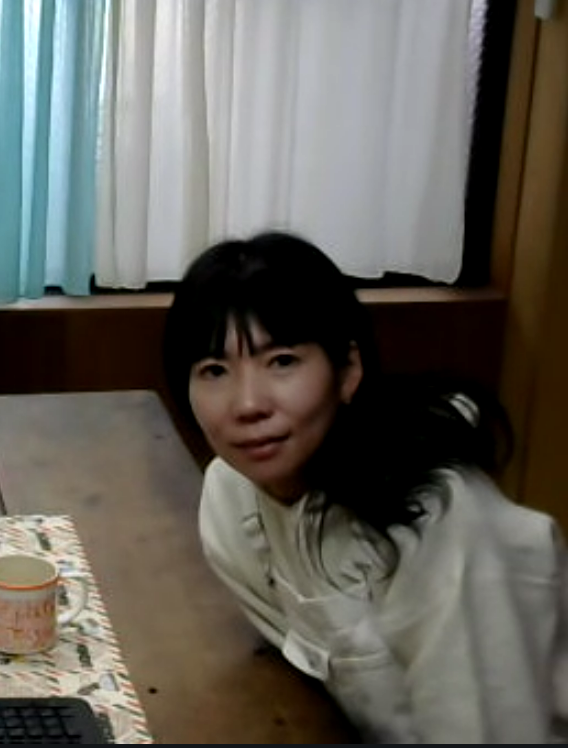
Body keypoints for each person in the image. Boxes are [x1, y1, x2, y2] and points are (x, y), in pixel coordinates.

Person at [161, 230, 568, 743]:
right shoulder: (229, 496)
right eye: (214, 370)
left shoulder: (441, 518)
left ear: (348, 369)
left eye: (282, 361)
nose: (248, 404)